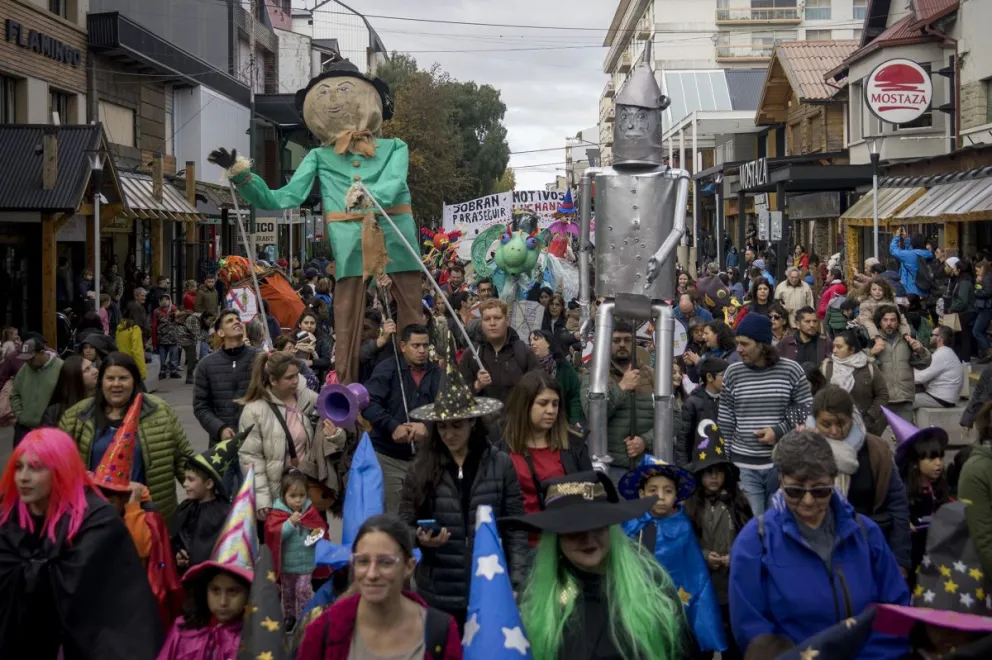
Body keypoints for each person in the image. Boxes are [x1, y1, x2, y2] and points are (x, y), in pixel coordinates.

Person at [729, 430, 911, 657]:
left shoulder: (866, 533)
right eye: (795, 491)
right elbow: (752, 629)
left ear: (834, 482)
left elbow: (896, 609)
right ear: (781, 481)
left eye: (820, 490)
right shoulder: (755, 541)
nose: (807, 501)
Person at [0, 428, 163, 659]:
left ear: (61, 470)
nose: (23, 477)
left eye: (35, 468)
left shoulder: (98, 521)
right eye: (19, 467)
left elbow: (101, 604)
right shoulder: (8, 519)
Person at [397, 358, 527, 626]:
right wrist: (419, 538)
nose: (448, 434)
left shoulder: (500, 464)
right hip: (437, 591)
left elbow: (515, 527)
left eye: (456, 425)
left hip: (490, 585)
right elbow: (402, 526)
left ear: (472, 423)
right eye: (443, 426)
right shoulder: (420, 469)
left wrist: (517, 581)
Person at [503, 471, 687, 659]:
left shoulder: (652, 588)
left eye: (597, 526)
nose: (588, 538)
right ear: (557, 537)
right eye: (574, 530)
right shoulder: (534, 601)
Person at [297, 514, 463, 659]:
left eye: (386, 562)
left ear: (409, 566)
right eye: (363, 561)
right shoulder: (322, 632)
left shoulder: (440, 632)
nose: (372, 574)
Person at [59, 351, 192, 522]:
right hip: (92, 516)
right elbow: (58, 465)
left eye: (123, 378)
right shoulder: (76, 416)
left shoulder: (160, 411)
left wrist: (203, 492)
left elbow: (183, 458)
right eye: (110, 378)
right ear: (101, 382)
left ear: (134, 381)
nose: (116, 384)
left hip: (147, 516)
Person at [90, 393, 184, 630]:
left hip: (136, 600)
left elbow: (139, 547)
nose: (104, 503)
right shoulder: (95, 516)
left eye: (110, 499)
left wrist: (133, 505)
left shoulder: (144, 517)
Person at [620, 456, 727, 654]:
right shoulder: (629, 526)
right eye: (653, 490)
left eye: (668, 491)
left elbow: (696, 575)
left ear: (677, 495)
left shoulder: (683, 528)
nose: (661, 496)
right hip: (637, 607)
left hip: (675, 606)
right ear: (641, 493)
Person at [718, 314, 812, 515]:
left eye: (745, 344)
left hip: (782, 467)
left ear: (762, 344)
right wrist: (725, 466)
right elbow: (725, 422)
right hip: (743, 465)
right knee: (753, 527)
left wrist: (779, 431)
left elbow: (806, 411)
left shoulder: (791, 370)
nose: (738, 349)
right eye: (737, 343)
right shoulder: (732, 373)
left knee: (778, 526)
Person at [161, 468, 258, 660]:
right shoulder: (183, 631)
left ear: (249, 593)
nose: (222, 602)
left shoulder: (257, 640)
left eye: (233, 592)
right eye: (215, 590)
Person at [811, 390, 912, 573]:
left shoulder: (876, 450)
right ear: (814, 421)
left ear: (852, 418)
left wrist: (900, 558)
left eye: (841, 423)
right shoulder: (804, 449)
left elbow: (897, 504)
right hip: (817, 554)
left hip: (869, 551)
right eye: (826, 424)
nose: (834, 431)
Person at [237, 351, 341, 520]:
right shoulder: (254, 411)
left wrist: (335, 435)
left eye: (297, 375)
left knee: (315, 540)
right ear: (273, 381)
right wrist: (262, 499)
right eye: (289, 377)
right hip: (277, 497)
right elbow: (251, 458)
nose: (296, 381)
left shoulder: (308, 398)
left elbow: (336, 424)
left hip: (308, 491)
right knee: (281, 543)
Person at [683, 423, 753, 660]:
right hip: (702, 589)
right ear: (699, 474)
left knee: (733, 644)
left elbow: (750, 542)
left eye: (719, 471)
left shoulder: (739, 504)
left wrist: (736, 556)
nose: (714, 476)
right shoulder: (690, 508)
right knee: (701, 643)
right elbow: (685, 545)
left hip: (732, 589)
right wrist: (704, 556)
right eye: (708, 471)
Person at [364, 323, 441, 514]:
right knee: (396, 515)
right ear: (403, 346)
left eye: (425, 345)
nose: (422, 351)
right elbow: (368, 403)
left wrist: (427, 427)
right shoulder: (387, 369)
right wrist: (392, 427)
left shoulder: (437, 373)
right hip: (390, 457)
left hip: (426, 457)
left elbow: (447, 410)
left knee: (427, 512)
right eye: (416, 346)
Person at [503, 370, 592, 516]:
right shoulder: (502, 448)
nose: (551, 410)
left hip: (563, 532)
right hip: (519, 534)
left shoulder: (574, 445)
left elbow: (591, 492)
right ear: (525, 405)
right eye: (543, 403)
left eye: (555, 404)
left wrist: (560, 491)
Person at [580, 320, 656, 484]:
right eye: (616, 340)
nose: (622, 344)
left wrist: (645, 441)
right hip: (612, 468)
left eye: (627, 340)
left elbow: (673, 417)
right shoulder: (594, 376)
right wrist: (621, 388)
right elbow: (592, 416)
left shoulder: (650, 375)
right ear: (608, 343)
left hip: (646, 467)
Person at [170, 430, 246, 572]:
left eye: (191, 479)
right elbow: (175, 538)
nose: (185, 484)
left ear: (209, 484)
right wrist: (178, 553)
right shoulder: (184, 508)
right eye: (185, 478)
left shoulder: (224, 514)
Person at [889, 409, 950, 583]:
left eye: (940, 457)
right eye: (931, 459)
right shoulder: (902, 490)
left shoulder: (941, 487)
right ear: (915, 463)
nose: (938, 464)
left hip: (936, 552)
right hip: (913, 552)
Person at [194, 309, 259, 472]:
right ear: (220, 332)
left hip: (255, 442)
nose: (237, 322)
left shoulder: (260, 358)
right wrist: (220, 428)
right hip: (222, 446)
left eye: (238, 319)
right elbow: (201, 406)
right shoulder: (206, 365)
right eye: (230, 321)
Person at [264, 469, 329, 628]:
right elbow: (275, 535)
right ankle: (289, 617)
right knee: (288, 593)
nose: (298, 501)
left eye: (302, 496)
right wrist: (290, 523)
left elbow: (320, 530)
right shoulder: (278, 513)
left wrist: (314, 536)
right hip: (287, 565)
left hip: (306, 564)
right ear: (283, 496)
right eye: (293, 496)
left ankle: (303, 617)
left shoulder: (310, 511)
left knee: (303, 592)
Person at [459, 299, 540, 405]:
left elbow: (539, 390)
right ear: (482, 323)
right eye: (487, 319)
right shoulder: (471, 354)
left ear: (506, 320)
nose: (492, 323)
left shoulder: (523, 352)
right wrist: (477, 385)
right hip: (482, 419)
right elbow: (458, 397)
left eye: (497, 318)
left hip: (516, 419)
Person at [820, 328, 889, 435]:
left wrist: (870, 417)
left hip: (865, 430)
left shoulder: (868, 367)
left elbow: (882, 395)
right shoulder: (826, 368)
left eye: (839, 347)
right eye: (834, 346)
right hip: (834, 431)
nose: (834, 350)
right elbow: (817, 396)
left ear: (852, 350)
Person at [871, 305, 932, 423]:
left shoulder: (908, 339)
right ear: (879, 321)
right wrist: (871, 352)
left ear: (898, 322)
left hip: (904, 398)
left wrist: (921, 350)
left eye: (893, 320)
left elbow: (924, 364)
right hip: (881, 399)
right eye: (885, 320)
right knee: (876, 438)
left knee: (907, 438)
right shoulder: (872, 339)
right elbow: (860, 364)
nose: (889, 323)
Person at [10, 336, 64, 445]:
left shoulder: (61, 367)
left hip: (50, 429)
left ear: (42, 352)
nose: (28, 362)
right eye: (26, 359)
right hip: (24, 428)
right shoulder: (25, 369)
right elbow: (15, 394)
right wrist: (20, 415)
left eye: (31, 358)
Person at [678, 358, 728, 468]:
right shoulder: (692, 403)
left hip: (723, 462)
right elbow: (683, 441)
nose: (728, 379)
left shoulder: (728, 400)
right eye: (724, 375)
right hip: (700, 464)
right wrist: (685, 469)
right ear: (710, 377)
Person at [528, 328, 584, 425]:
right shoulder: (528, 366)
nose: (532, 343)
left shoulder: (563, 367)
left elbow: (574, 397)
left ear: (548, 342)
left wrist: (575, 421)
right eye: (530, 340)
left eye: (536, 339)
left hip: (560, 422)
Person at [40, 354, 98, 427]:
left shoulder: (103, 403)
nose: (95, 371)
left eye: (92, 366)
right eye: (87, 370)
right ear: (75, 379)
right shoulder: (54, 413)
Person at [914, 325, 964, 409]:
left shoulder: (942, 355)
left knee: (906, 401)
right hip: (944, 396)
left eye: (932, 334)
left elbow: (921, 378)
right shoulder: (946, 352)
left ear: (940, 338)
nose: (930, 337)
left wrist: (907, 372)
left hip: (941, 398)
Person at [944, 256, 976, 362]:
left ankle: (965, 361)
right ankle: (959, 360)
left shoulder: (964, 282)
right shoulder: (962, 280)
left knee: (963, 338)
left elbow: (962, 300)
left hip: (965, 313)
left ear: (959, 269)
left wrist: (952, 308)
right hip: (964, 312)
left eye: (955, 268)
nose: (953, 270)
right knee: (959, 338)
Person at [889, 228, 933, 297]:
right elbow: (913, 252)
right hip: (925, 291)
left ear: (913, 244)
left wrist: (897, 237)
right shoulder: (928, 254)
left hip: (911, 293)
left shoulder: (910, 255)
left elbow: (893, 250)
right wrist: (906, 239)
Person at [116, 302, 148, 381]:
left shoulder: (119, 329)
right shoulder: (135, 329)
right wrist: (142, 372)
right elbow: (137, 352)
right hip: (132, 366)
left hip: (121, 364)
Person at [153, 293, 182, 379]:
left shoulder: (173, 309)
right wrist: (154, 340)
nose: (165, 302)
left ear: (169, 301)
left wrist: (178, 314)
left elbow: (180, 320)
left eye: (166, 300)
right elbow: (154, 325)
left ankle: (173, 371)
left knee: (174, 355)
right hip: (162, 338)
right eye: (163, 300)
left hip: (173, 337)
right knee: (162, 356)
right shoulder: (157, 311)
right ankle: (162, 371)